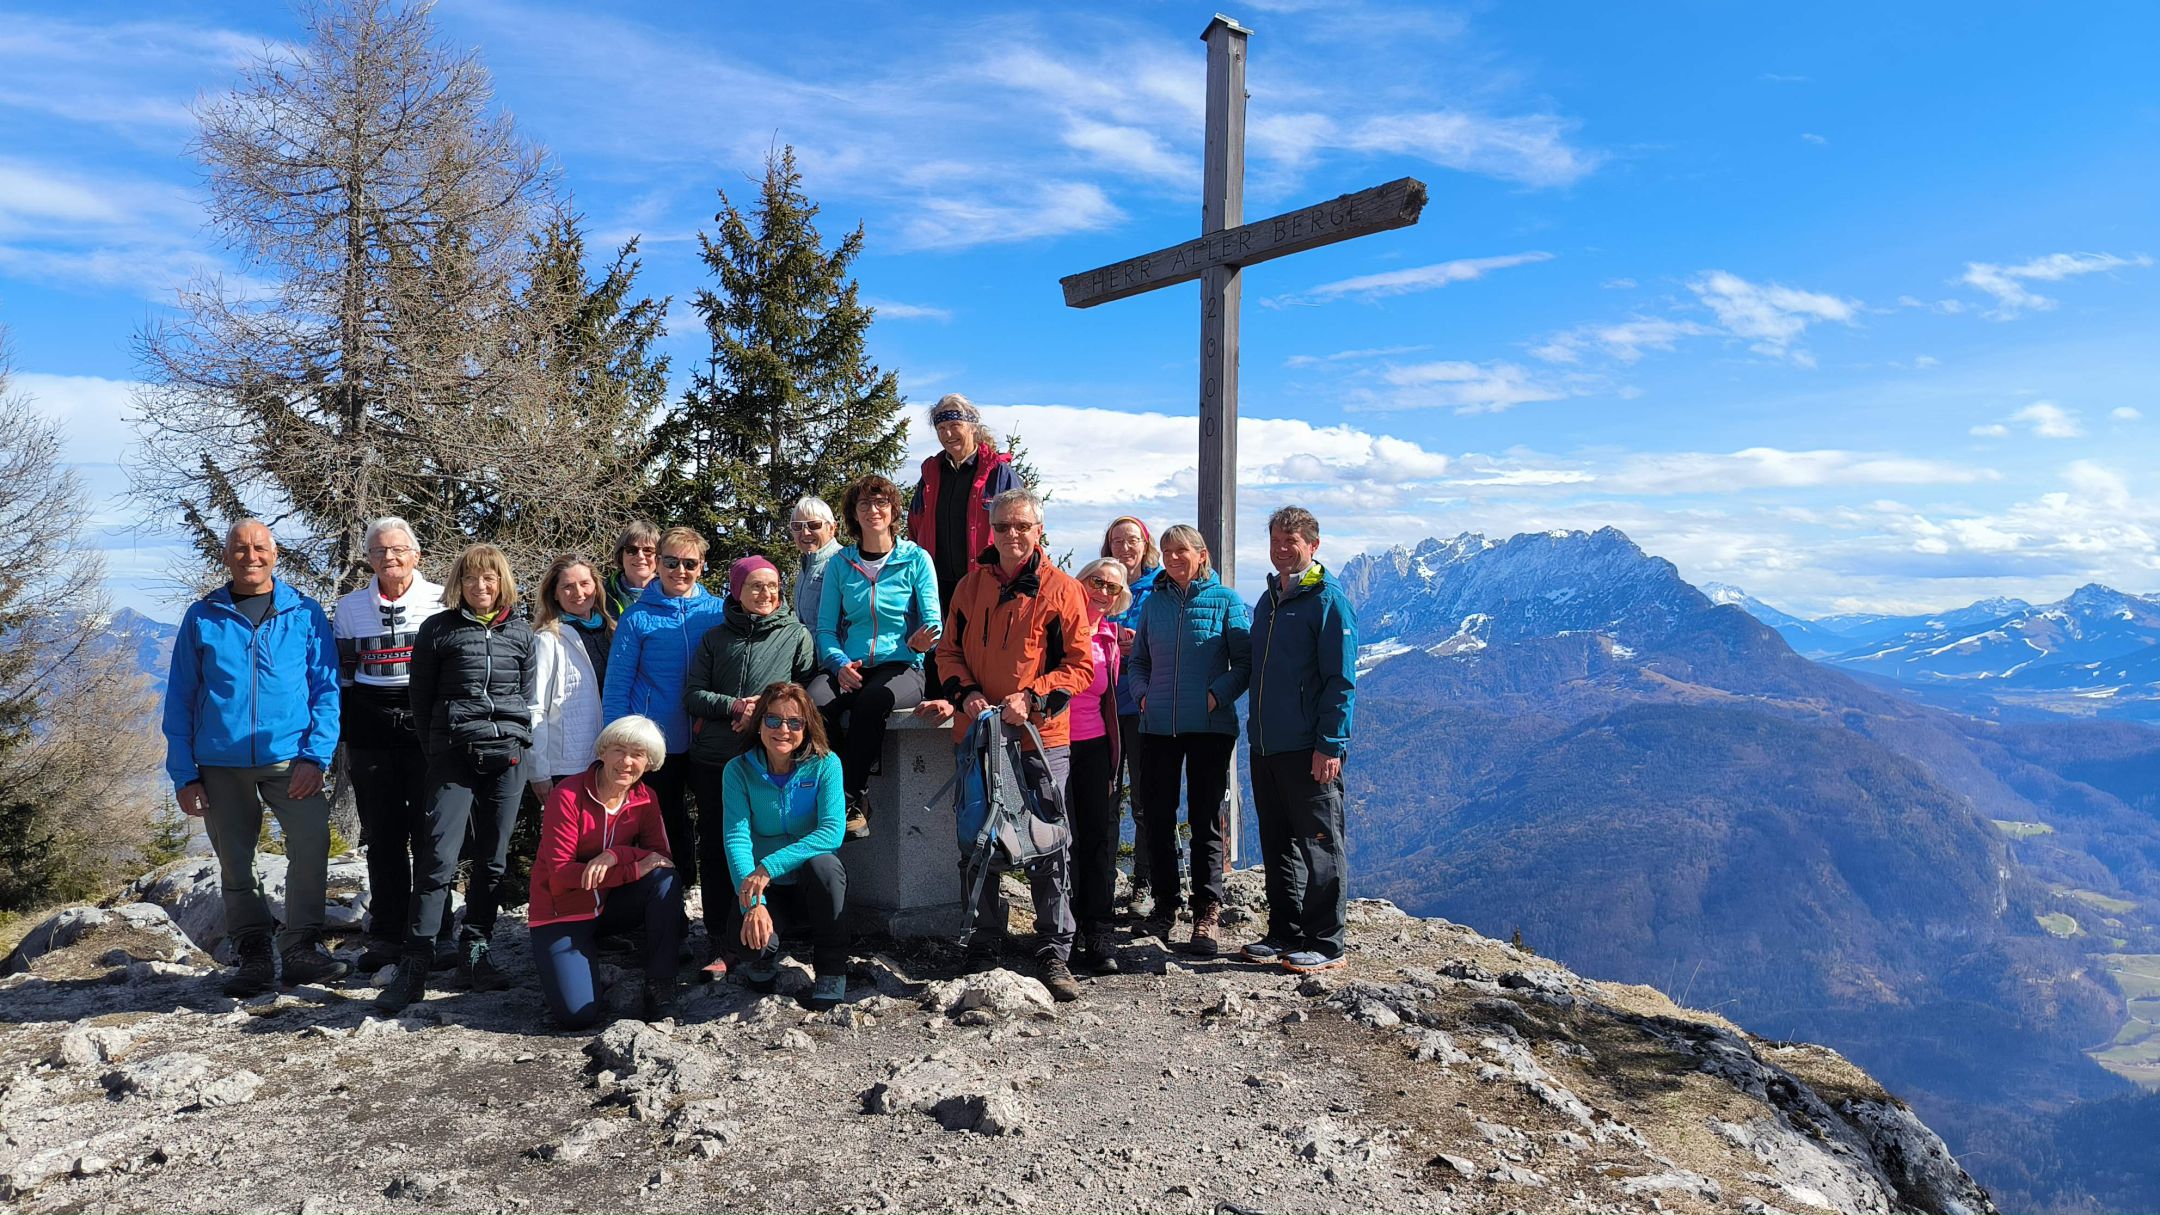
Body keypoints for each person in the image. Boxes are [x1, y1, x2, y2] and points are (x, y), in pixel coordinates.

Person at [163, 520, 347, 997]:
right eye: (240, 548)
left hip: (292, 758)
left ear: (275, 553)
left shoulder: (304, 612)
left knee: (310, 844)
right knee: (235, 861)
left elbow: (327, 690)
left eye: (259, 547)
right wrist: (184, 774)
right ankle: (254, 952)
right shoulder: (202, 616)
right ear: (226, 556)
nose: (251, 556)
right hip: (219, 762)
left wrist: (316, 756)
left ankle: (302, 946)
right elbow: (180, 696)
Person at [925, 487, 1092, 1002]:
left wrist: (1034, 697)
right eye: (1003, 526)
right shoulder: (970, 586)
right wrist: (967, 693)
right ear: (990, 531)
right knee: (977, 837)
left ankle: (1053, 949)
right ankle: (983, 941)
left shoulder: (1062, 590)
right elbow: (947, 653)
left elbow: (1079, 667)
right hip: (977, 734)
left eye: (1022, 526)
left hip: (1039, 739)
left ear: (1039, 530)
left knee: (1049, 840)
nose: (1012, 534)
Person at [376, 543, 538, 1011]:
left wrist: (517, 739)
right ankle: (415, 963)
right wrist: (439, 752)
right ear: (458, 584)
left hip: (507, 757)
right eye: (470, 578)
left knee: (493, 860)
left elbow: (525, 695)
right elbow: (420, 699)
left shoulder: (521, 632)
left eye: (489, 577)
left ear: (502, 581)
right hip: (453, 755)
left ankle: (476, 950)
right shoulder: (438, 629)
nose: (480, 586)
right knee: (437, 858)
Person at [683, 556, 819, 973]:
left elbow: (807, 693)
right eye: (755, 586)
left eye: (773, 585)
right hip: (715, 756)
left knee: (762, 842)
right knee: (716, 846)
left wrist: (762, 712)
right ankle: (719, 939)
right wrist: (735, 706)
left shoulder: (795, 635)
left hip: (770, 758)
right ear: (737, 591)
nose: (766, 594)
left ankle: (765, 928)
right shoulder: (715, 638)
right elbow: (693, 694)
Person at [1242, 506, 1358, 975]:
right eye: (1275, 541)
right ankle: (1285, 932)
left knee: (1320, 843)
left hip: (1308, 747)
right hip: (1266, 745)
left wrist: (1330, 744)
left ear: (1313, 545)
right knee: (1278, 844)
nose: (1281, 549)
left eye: (1291, 541)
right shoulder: (1269, 599)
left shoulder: (1328, 600)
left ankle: (1327, 942)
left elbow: (1340, 681)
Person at [1126, 524, 1251, 956]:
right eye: (1166, 551)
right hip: (1158, 726)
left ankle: (1206, 914)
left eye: (1181, 550)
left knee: (1205, 820)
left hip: (1209, 728)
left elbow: (1245, 663)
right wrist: (1143, 696)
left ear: (1202, 555)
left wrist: (1215, 696)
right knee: (1157, 818)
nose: (1173, 558)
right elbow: (1139, 662)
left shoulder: (1227, 601)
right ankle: (1165, 907)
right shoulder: (1154, 603)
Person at [333, 516, 447, 974]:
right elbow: (344, 675)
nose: (390, 557)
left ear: (416, 555)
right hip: (370, 723)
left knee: (432, 832)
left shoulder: (441, 598)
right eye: (379, 551)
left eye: (398, 549)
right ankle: (385, 933)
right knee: (382, 835)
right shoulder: (349, 607)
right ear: (369, 559)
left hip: (427, 723)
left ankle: (436, 931)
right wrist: (345, 738)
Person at [527, 715, 682, 1029]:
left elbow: (662, 858)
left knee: (665, 879)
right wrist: (630, 869)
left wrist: (616, 855)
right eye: (618, 751)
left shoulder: (645, 798)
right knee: (577, 1016)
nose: (626, 762)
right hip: (562, 911)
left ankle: (661, 982)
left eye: (637, 754)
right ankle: (569, 952)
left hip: (609, 905)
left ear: (649, 763)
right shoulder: (567, 795)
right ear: (602, 751)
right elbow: (561, 874)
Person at [602, 526, 727, 900]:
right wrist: (616, 744)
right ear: (658, 563)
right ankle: (672, 907)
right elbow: (618, 684)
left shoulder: (719, 612)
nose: (680, 571)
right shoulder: (637, 617)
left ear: (702, 566)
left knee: (716, 823)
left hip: (708, 736)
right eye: (671, 562)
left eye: (690, 563)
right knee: (665, 824)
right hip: (656, 740)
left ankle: (718, 915)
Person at [812, 475, 940, 838]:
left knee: (872, 701)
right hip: (849, 664)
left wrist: (920, 643)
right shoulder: (841, 564)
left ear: (894, 510)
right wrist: (839, 664)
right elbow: (825, 629)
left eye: (881, 502)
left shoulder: (916, 559)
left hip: (902, 665)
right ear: (854, 514)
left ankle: (849, 799)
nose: (873, 510)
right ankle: (841, 792)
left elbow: (933, 622)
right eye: (864, 504)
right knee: (812, 704)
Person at [721, 682, 850, 1010]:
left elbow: (831, 832)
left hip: (809, 883)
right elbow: (737, 839)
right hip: (765, 889)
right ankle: (765, 957)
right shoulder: (737, 770)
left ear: (807, 728)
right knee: (750, 946)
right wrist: (754, 904)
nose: (783, 730)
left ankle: (831, 969)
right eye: (773, 720)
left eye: (795, 722)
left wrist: (768, 866)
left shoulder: (826, 764)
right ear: (759, 723)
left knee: (826, 865)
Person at [1065, 558, 1130, 975]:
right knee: (1058, 841)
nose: (1103, 592)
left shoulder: (1109, 638)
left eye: (1112, 587)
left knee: (1095, 839)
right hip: (1052, 744)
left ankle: (1099, 931)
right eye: (1096, 582)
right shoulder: (1056, 626)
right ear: (1081, 583)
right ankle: (1061, 930)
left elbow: (1109, 699)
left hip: (1095, 746)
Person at [905, 393, 1018, 607]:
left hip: (988, 587)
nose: (948, 434)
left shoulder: (998, 474)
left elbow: (1023, 530)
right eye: (941, 428)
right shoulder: (930, 476)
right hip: (936, 591)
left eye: (955, 425)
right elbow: (914, 527)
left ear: (972, 427)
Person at [1101, 515, 1162, 906]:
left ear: (1145, 545)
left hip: (1143, 706)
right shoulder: (1101, 585)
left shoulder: (1160, 588)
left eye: (1132, 540)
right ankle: (1101, 884)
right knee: (1104, 798)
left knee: (1144, 798)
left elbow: (1174, 638)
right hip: (1103, 705)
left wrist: (1141, 644)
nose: (1125, 548)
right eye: (1117, 541)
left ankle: (1144, 882)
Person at [530, 555, 612, 796]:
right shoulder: (548, 639)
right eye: (567, 586)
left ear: (596, 586)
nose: (578, 592)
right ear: (554, 594)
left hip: (612, 758)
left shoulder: (613, 632)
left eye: (585, 583)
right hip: (569, 764)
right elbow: (535, 707)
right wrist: (539, 771)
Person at [788, 496, 843, 633]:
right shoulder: (806, 565)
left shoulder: (843, 564)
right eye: (797, 526)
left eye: (814, 525)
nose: (805, 532)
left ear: (832, 528)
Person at [603, 520, 661, 620]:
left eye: (648, 550)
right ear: (621, 555)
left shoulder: (672, 592)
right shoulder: (602, 593)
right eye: (632, 550)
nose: (640, 556)